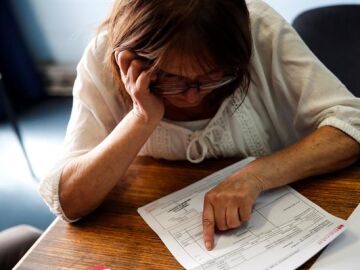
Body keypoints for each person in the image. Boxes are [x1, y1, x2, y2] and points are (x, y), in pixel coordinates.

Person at [40, 0, 360, 251]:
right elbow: (68, 201)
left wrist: (256, 175)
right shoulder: (103, 53)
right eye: (173, 78)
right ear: (133, 58)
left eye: (212, 76)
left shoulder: (259, 27)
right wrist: (141, 117)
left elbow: (351, 123)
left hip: (285, 221)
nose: (193, 96)